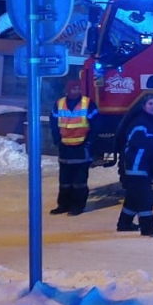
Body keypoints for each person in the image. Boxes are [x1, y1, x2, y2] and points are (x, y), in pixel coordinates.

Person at [117, 95, 153, 237]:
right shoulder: (141, 121)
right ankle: (148, 227)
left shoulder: (148, 121)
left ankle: (124, 223)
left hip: (141, 165)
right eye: (150, 103)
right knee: (145, 197)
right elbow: (139, 140)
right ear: (144, 106)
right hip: (137, 165)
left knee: (133, 197)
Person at [49, 79, 99, 216]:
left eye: (78, 88)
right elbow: (53, 123)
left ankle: (78, 206)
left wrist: (89, 142)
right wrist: (57, 141)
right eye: (74, 88)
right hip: (65, 148)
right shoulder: (59, 104)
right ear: (68, 89)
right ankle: (63, 205)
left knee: (79, 182)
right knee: (64, 181)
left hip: (82, 148)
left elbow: (95, 125)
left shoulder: (88, 104)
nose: (76, 91)